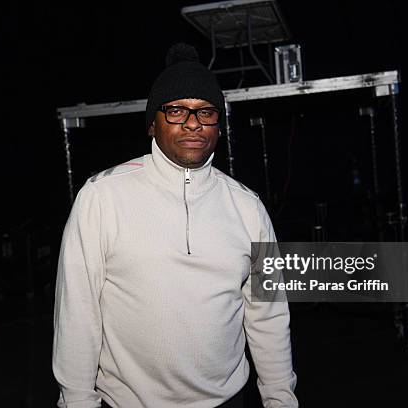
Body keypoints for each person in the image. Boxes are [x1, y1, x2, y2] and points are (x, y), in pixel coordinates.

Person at [52, 43, 298, 408]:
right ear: (153, 123)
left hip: (227, 402)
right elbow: (77, 313)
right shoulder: (102, 197)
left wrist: (281, 399)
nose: (193, 123)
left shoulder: (248, 207)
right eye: (177, 110)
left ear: (220, 126)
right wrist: (77, 401)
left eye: (206, 112)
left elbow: (268, 314)